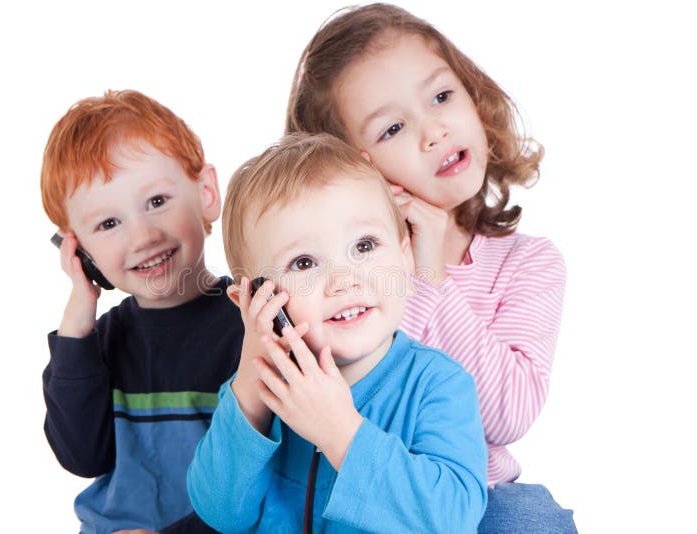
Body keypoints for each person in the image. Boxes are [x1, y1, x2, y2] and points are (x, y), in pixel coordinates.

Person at [285, 4, 574, 532]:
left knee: (531, 519)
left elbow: (509, 415)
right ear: (353, 167)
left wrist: (431, 280)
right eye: (392, 127)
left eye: (442, 96)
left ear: (473, 96)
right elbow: (346, 400)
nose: (433, 131)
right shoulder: (336, 279)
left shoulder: (528, 263)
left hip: (476, 495)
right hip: (356, 492)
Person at [187, 133, 487, 533]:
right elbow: (219, 511)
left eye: (365, 245)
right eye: (304, 262)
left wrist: (341, 432)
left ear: (405, 257)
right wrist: (249, 391)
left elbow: (452, 519)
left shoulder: (437, 385)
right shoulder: (260, 397)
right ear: (252, 301)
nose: (343, 280)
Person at [39, 89, 243, 534]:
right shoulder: (96, 344)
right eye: (108, 224)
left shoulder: (250, 326)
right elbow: (81, 456)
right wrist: (78, 320)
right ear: (79, 249)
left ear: (206, 192)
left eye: (157, 202)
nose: (142, 236)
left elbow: (259, 483)